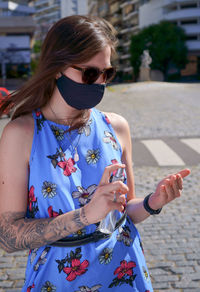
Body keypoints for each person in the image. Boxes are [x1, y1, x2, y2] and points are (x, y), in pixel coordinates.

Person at [0, 15, 190, 292]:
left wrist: (153, 201)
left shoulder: (116, 127)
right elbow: (9, 237)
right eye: (90, 74)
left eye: (107, 74)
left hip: (126, 276)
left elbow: (124, 213)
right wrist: (86, 215)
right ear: (56, 68)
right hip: (58, 281)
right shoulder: (22, 134)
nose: (100, 83)